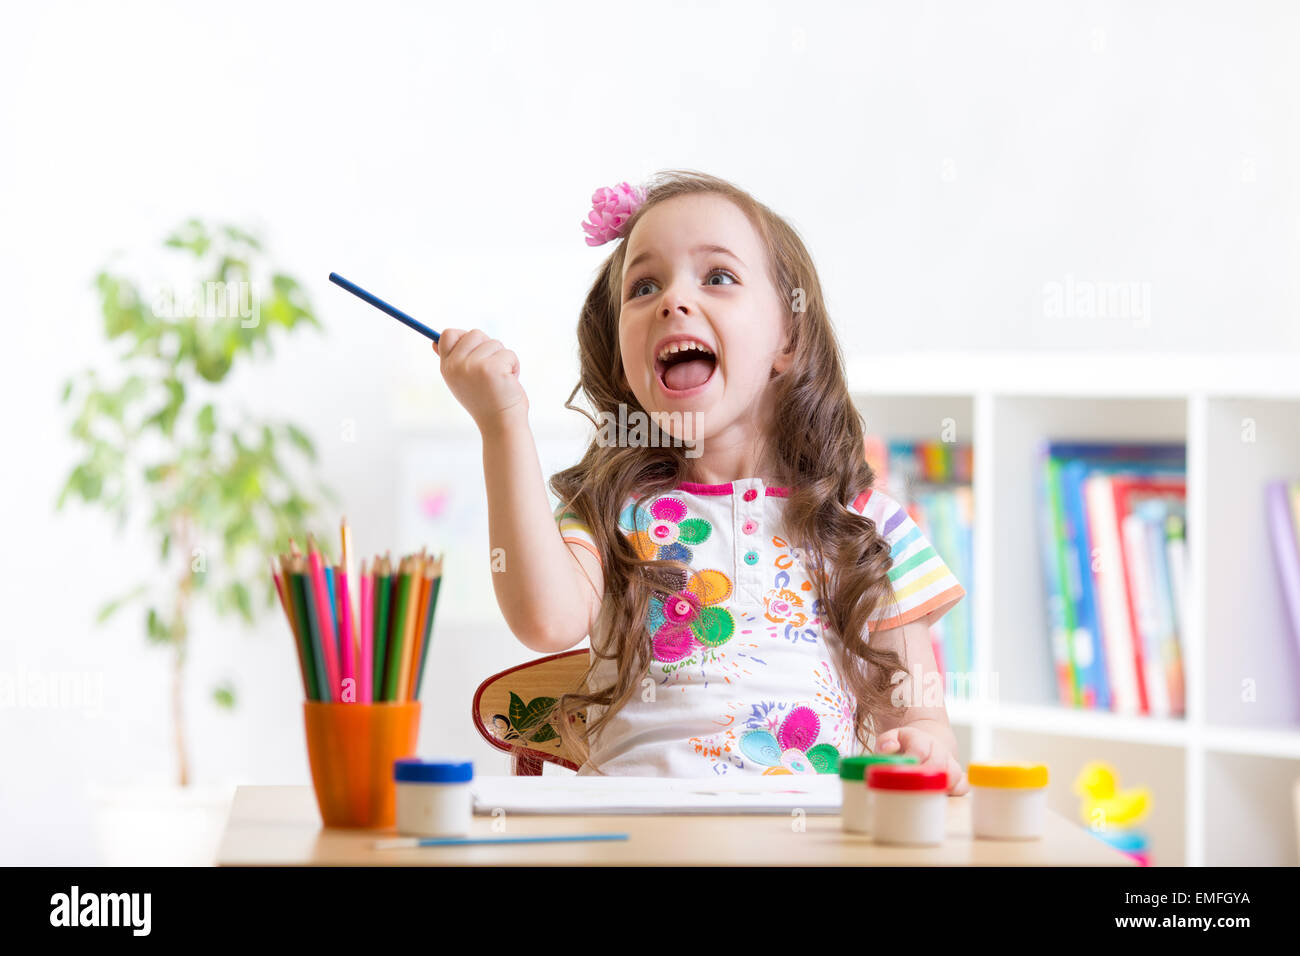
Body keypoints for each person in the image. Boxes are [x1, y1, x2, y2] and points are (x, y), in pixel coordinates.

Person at [433, 169, 968, 790]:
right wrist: (503, 425)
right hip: (635, 844)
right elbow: (545, 620)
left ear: (788, 337)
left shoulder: (870, 528)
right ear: (622, 355)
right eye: (644, 286)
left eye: (718, 277)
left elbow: (924, 718)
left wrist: (921, 748)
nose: (672, 300)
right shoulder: (610, 512)